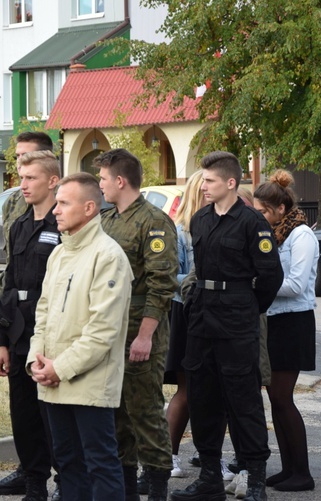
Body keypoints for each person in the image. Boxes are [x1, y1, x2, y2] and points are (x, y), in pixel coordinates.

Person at [171, 151, 283, 501]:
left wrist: (247, 308)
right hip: (203, 318)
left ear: (230, 183)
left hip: (237, 320)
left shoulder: (253, 223)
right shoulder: (201, 219)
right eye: (203, 180)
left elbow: (270, 277)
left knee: (243, 401)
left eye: (210, 181)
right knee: (203, 399)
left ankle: (255, 481)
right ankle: (208, 477)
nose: (203, 186)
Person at [27, 172, 133, 500]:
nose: (55, 210)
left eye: (63, 203)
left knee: (99, 464)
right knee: (68, 464)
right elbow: (43, 313)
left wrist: (60, 368)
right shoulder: (60, 253)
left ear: (89, 208)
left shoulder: (108, 256)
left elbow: (103, 332)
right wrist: (36, 360)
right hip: (53, 381)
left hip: (88, 382)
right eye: (56, 203)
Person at [97, 148, 179, 500]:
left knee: (145, 415)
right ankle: (127, 490)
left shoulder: (154, 221)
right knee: (117, 419)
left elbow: (162, 284)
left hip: (140, 335)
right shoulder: (108, 220)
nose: (99, 185)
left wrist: (145, 336)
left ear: (120, 180)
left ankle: (158, 486)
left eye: (102, 178)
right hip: (111, 335)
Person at [0, 150, 61, 500]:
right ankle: (35, 484)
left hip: (53, 332)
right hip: (19, 332)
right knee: (24, 414)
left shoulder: (63, 225)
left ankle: (66, 481)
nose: (23, 184)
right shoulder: (19, 226)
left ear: (53, 181)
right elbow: (9, 283)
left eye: (31, 178)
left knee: (54, 414)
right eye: (22, 177)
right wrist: (2, 340)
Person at [253, 170, 318, 492]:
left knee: (282, 396)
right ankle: (289, 468)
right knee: (275, 398)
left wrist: (257, 282)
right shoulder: (274, 233)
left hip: (294, 321)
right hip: (275, 320)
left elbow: (296, 284)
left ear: (280, 209)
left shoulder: (301, 234)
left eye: (263, 210)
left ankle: (303, 473)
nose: (258, 216)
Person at [164, 170, 203, 479]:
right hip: (185, 312)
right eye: (204, 189)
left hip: (216, 315)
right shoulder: (180, 230)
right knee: (187, 390)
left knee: (212, 392)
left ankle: (209, 456)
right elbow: (169, 277)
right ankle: (168, 455)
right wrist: (201, 282)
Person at [1, 132, 55, 263]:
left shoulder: (64, 198)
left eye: (25, 155)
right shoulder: (12, 202)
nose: (19, 161)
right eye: (17, 156)